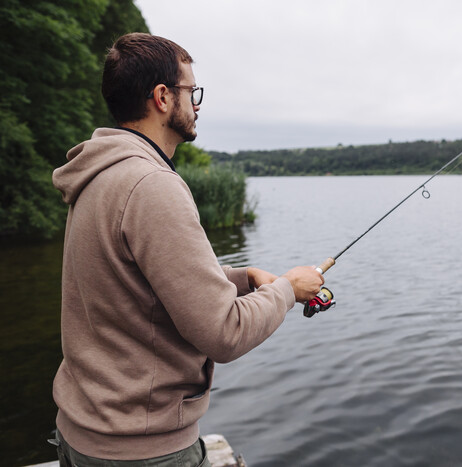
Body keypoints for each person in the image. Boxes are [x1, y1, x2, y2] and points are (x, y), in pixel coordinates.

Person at [50, 32, 324, 466]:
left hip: (82, 434)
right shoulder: (151, 185)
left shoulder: (98, 174)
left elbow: (133, 285)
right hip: (141, 451)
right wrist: (288, 288)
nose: (196, 104)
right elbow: (224, 334)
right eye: (190, 91)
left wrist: (242, 277)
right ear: (162, 97)